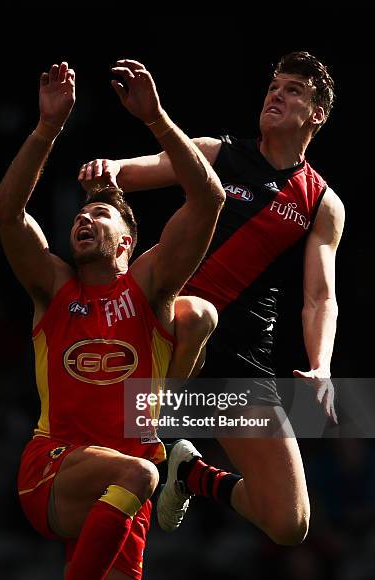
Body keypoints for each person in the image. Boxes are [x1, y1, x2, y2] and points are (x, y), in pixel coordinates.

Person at [79, 51, 345, 545]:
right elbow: (141, 169)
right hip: (172, 321)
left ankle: (190, 474)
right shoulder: (218, 154)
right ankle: (152, 433)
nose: (276, 95)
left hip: (244, 353)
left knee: (289, 522)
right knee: (197, 316)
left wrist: (322, 366)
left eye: (292, 90)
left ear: (317, 114)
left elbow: (319, 296)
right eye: (273, 87)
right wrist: (110, 167)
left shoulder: (321, 201)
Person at [0, 59, 225, 580]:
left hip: (126, 492)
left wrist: (157, 119)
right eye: (81, 214)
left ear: (127, 244)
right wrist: (48, 128)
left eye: (100, 213)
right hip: (54, 469)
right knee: (143, 468)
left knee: (200, 318)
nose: (85, 219)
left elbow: (209, 200)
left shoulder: (149, 286)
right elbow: (7, 214)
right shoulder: (54, 286)